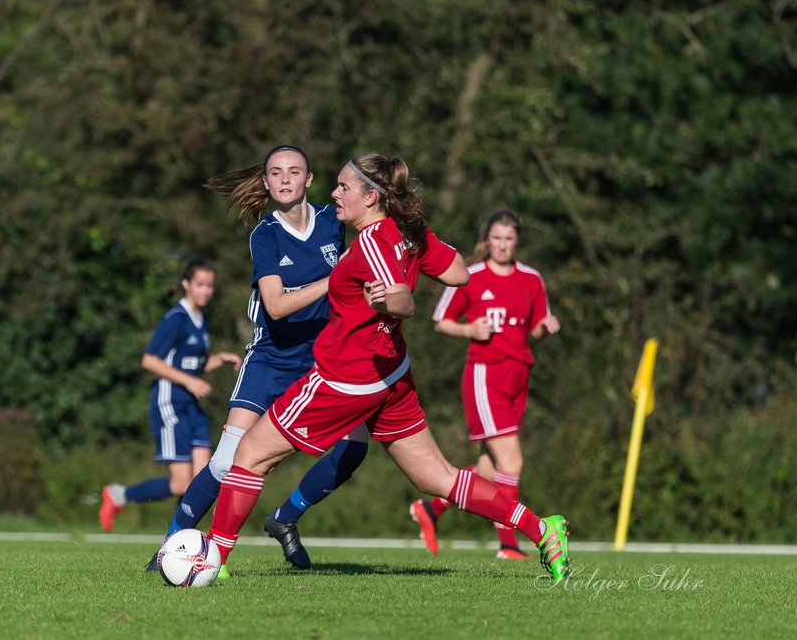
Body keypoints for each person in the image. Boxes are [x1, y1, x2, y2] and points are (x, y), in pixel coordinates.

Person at [204, 154, 571, 582]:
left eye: (344, 188)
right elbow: (458, 274)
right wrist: (418, 243)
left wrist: (390, 301)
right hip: (391, 375)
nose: (334, 194)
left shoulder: (373, 242)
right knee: (437, 477)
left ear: (371, 196)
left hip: (346, 379)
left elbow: (403, 301)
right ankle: (543, 530)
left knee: (249, 455)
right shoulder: (403, 233)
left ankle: (211, 562)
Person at [110, 144, 370, 571]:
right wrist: (337, 275)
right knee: (226, 460)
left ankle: (286, 517)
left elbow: (374, 231)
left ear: (309, 179)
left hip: (324, 356)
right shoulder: (264, 234)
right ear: (266, 183)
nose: (285, 178)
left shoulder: (331, 220)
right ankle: (171, 543)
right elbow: (277, 305)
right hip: (272, 358)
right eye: (276, 172)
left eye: (294, 171)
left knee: (355, 446)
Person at [409, 209, 561, 559]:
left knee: (489, 469)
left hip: (518, 373)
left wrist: (547, 327)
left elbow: (535, 329)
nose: (503, 244)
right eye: (497, 238)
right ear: (486, 241)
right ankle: (509, 544)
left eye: (509, 238)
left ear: (516, 241)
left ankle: (432, 510)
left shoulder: (531, 279)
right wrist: (469, 330)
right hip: (484, 375)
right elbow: (440, 321)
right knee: (512, 462)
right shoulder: (473, 276)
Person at [98, 258, 241, 529]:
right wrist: (189, 382)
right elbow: (150, 361)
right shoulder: (176, 318)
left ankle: (182, 544)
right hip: (170, 404)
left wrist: (218, 358)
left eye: (210, 286)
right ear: (187, 284)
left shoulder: (201, 319)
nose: (206, 291)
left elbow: (193, 365)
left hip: (191, 407)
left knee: (204, 480)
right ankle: (118, 495)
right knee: (181, 484)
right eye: (200, 284)